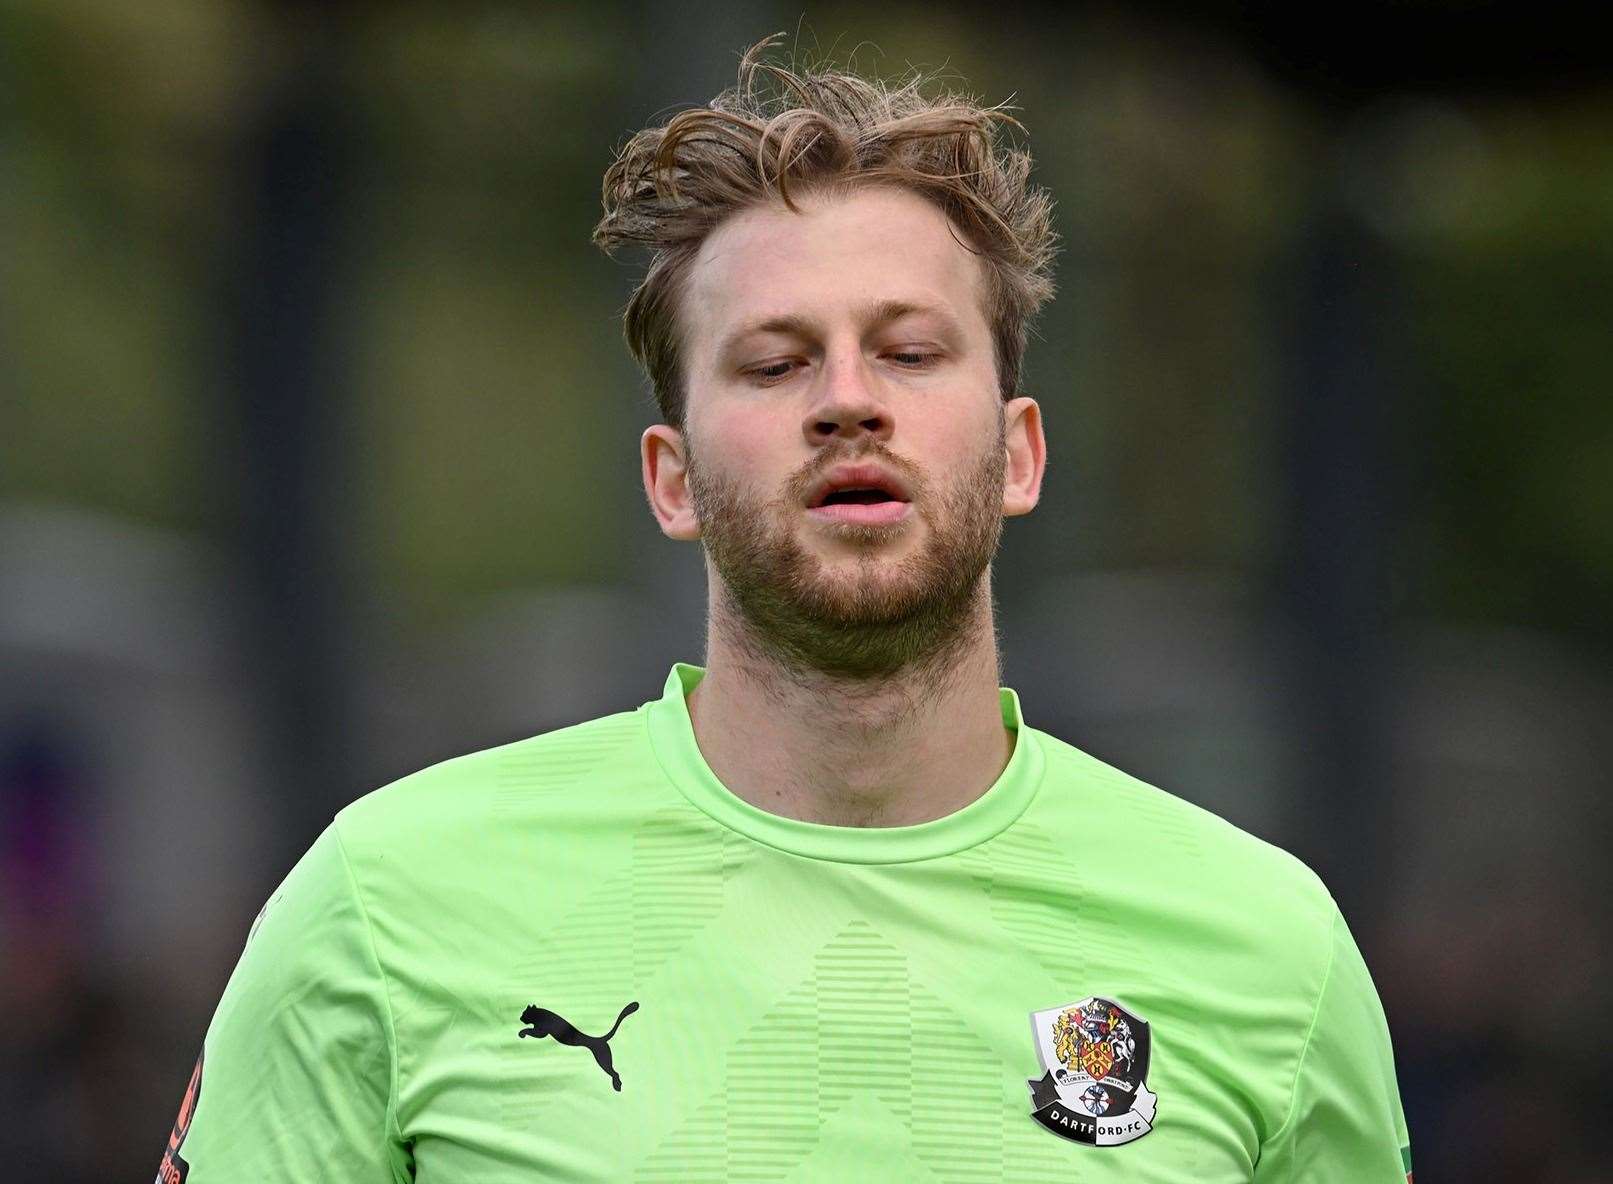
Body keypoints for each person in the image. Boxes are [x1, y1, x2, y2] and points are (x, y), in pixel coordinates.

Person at [158, 36, 1411, 1183]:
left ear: (1020, 453)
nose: (847, 400)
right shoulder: (382, 906)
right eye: (772, 362)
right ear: (671, 479)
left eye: (911, 352)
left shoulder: (1268, 952)